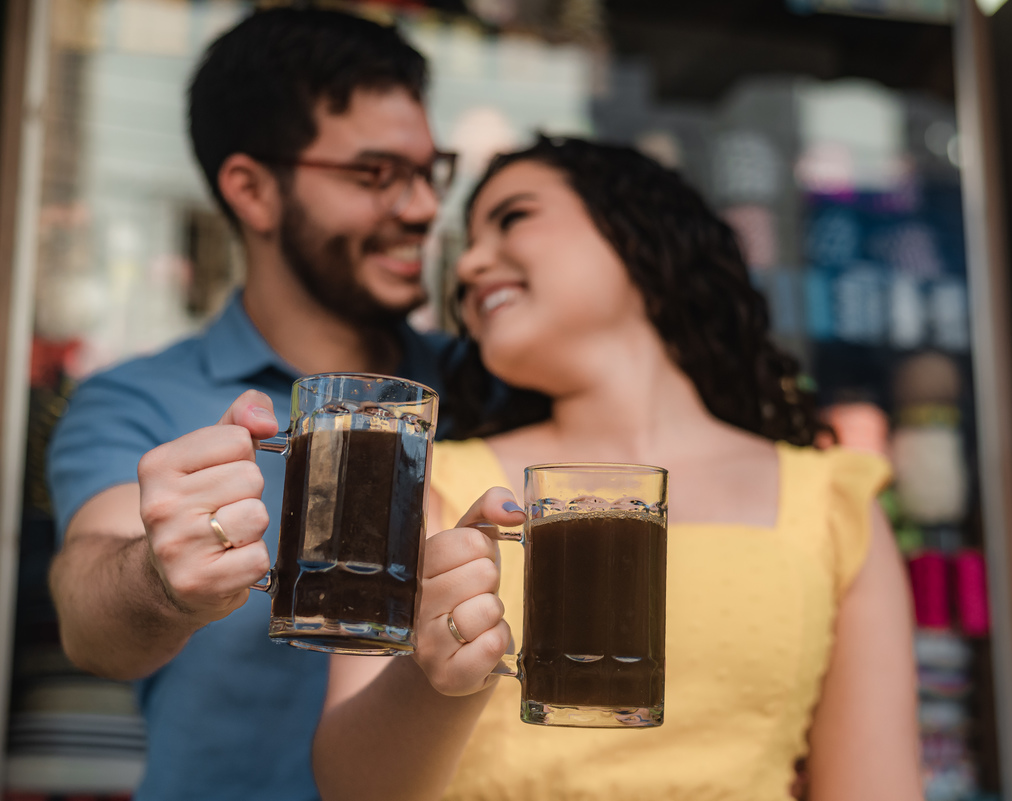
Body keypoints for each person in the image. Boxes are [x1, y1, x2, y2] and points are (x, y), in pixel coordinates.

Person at [320, 136, 925, 801]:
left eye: (513, 217)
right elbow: (351, 787)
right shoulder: (421, 479)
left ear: (640, 235)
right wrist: (429, 679)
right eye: (467, 242)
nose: (469, 264)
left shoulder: (834, 501)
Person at [46, 8, 471, 800]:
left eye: (429, 170)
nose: (420, 209)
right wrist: (160, 578)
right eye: (375, 174)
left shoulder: (486, 387)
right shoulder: (137, 397)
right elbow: (88, 616)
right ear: (252, 190)